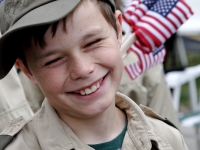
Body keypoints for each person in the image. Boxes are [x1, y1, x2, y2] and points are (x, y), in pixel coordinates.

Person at [0, 0, 188, 149]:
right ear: (27, 71)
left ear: (118, 29)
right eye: (53, 60)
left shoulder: (168, 140)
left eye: (93, 42)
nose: (82, 69)